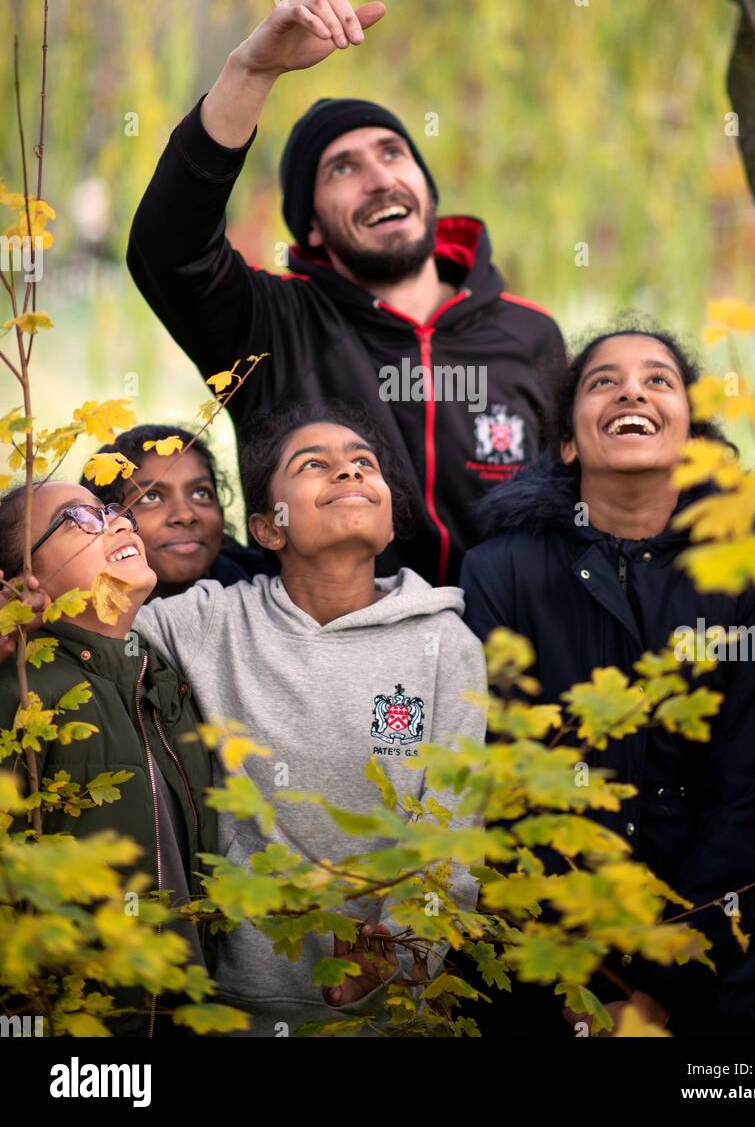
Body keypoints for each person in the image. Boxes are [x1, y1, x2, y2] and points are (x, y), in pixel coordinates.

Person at [127, 0, 565, 586]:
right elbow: (169, 250)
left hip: (503, 672)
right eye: (343, 169)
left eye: (394, 154)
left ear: (425, 186)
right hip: (330, 673)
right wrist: (251, 71)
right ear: (312, 225)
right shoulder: (271, 326)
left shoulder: (530, 334)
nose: (380, 179)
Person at [458, 327, 755, 1039]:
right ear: (570, 445)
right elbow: (507, 783)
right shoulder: (501, 572)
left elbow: (752, 795)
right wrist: (588, 988)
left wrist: (659, 992)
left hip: (708, 969)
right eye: (603, 381)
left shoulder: (745, 576)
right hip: (543, 967)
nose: (632, 391)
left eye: (658, 379)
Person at [131, 400, 488, 1036]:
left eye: (363, 464)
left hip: (397, 1000)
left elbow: (455, 824)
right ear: (270, 530)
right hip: (243, 996)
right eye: (315, 465)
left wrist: (403, 951)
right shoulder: (213, 621)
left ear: (387, 523)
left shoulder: (446, 643)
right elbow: (90, 626)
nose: (348, 473)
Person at [0, 480, 219, 1037]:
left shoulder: (161, 677)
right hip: (76, 1026)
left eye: (112, 510)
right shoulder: (23, 695)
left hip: (183, 1011)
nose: (119, 522)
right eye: (80, 518)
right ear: (23, 585)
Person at [82, 424, 276, 594]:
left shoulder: (271, 592)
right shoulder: (65, 615)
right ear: (101, 520)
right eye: (151, 497)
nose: (185, 515)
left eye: (201, 493)